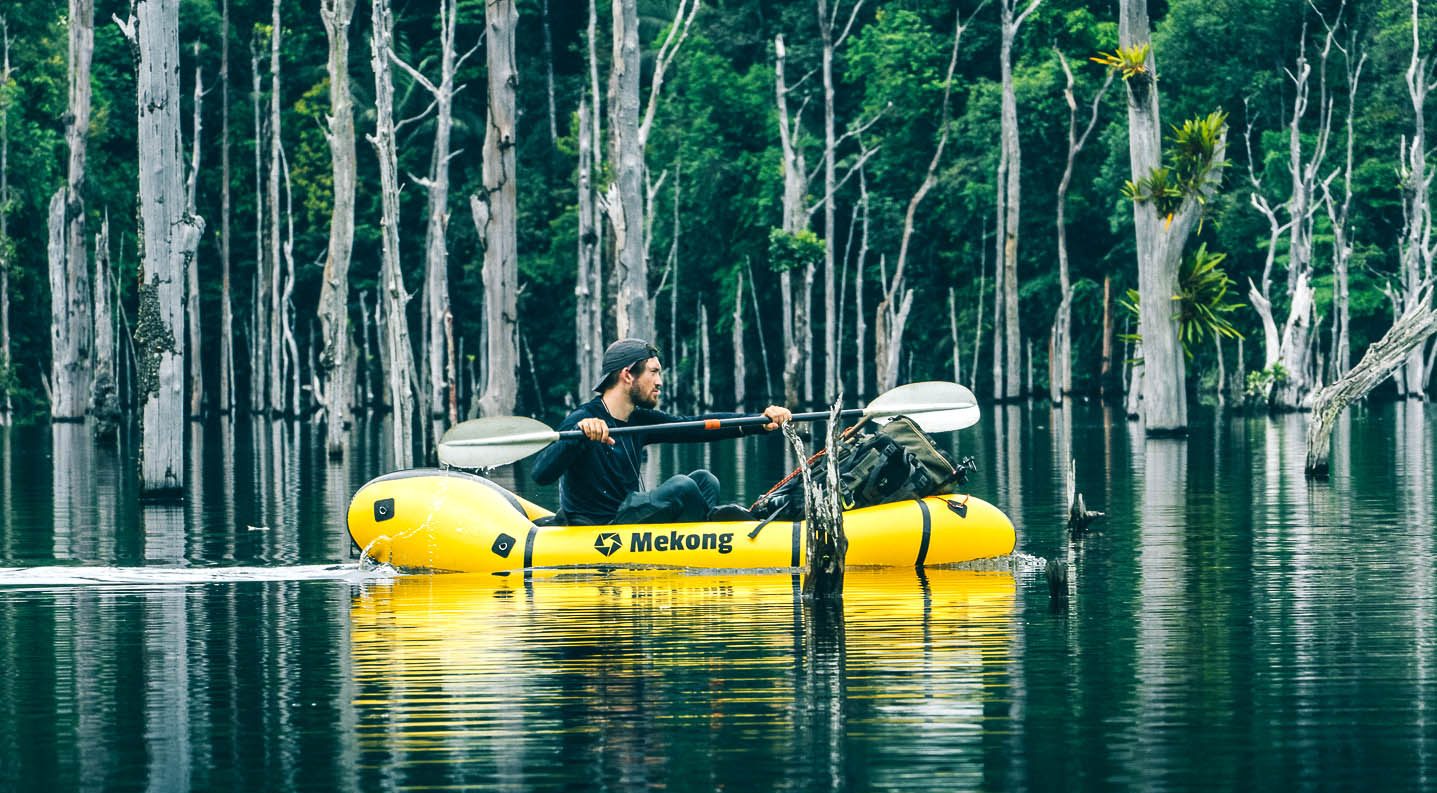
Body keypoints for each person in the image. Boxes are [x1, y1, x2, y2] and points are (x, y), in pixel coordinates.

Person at [531, 338, 792, 525]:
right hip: (602, 528)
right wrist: (578, 435)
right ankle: (717, 523)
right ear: (627, 375)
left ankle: (710, 529)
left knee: (704, 480)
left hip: (630, 514)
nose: (659, 382)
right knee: (681, 486)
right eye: (654, 372)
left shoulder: (639, 419)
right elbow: (541, 474)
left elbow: (696, 426)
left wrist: (759, 421)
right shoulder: (583, 419)